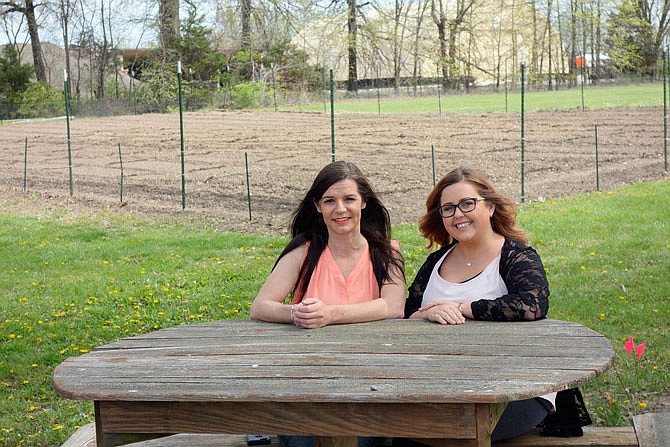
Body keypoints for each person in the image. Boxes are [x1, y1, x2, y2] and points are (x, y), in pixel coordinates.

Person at [395, 167, 590, 445]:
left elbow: (531, 304)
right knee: (398, 431)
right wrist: (428, 314)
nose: (458, 215)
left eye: (467, 204)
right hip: (440, 386)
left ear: (490, 207)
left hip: (514, 390)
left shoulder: (515, 256)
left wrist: (463, 307)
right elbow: (405, 315)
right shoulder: (436, 262)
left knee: (444, 434)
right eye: (448, 208)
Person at [250, 160, 406, 447]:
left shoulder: (386, 253)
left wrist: (330, 314)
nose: (340, 209)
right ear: (318, 206)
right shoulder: (304, 252)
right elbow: (261, 306)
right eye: (329, 201)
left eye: (349, 199)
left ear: (364, 203)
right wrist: (297, 313)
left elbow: (393, 306)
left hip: (370, 387)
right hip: (305, 385)